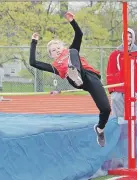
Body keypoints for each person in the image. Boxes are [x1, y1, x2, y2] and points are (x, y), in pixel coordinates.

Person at [29, 12, 111, 147]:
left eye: (58, 48)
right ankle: (74, 74)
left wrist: (72, 21)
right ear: (51, 56)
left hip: (90, 77)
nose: (56, 51)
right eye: (53, 51)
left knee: (106, 109)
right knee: (73, 55)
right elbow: (33, 62)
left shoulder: (70, 50)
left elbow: (79, 34)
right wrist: (34, 42)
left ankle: (100, 128)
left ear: (63, 47)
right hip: (74, 80)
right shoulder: (54, 65)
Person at [106, 28, 137, 123]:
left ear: (133, 38)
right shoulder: (115, 54)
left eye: (130, 36)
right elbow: (110, 72)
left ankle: (133, 137)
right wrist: (112, 91)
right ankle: (119, 137)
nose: (128, 39)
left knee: (134, 120)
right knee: (117, 120)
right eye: (126, 36)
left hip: (135, 91)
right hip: (118, 91)